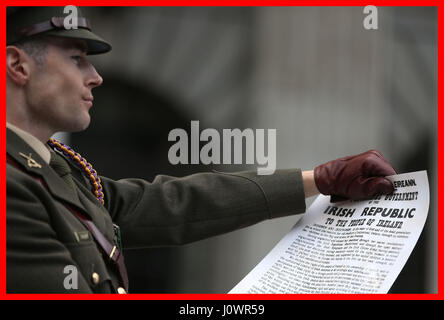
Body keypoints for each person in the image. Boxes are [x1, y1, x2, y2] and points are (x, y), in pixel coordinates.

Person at [6, 6, 397, 294]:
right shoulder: (12, 186)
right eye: (76, 59)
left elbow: (170, 203)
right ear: (17, 65)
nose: (95, 76)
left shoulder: (55, 166)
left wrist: (320, 180)